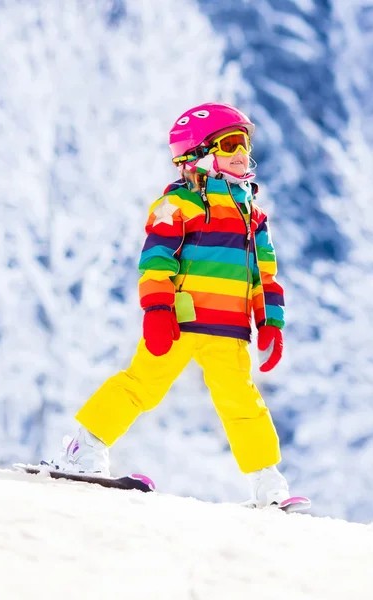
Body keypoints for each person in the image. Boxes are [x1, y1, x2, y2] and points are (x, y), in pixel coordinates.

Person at [50, 102, 292, 507]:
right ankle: (83, 447)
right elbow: (156, 262)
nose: (242, 152)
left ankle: (267, 483)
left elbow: (263, 276)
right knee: (141, 386)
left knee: (244, 405)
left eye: (245, 143)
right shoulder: (177, 205)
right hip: (180, 323)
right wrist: (158, 311)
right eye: (231, 142)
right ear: (197, 155)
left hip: (229, 331)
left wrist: (270, 322)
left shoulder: (254, 218)